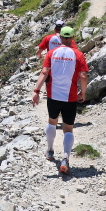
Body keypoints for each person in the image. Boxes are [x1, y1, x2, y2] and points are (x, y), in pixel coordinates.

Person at [31, 26, 89, 174]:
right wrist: (83, 92)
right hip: (70, 97)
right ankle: (65, 158)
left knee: (52, 121)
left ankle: (50, 150)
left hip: (53, 95)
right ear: (73, 38)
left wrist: (36, 91)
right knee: (68, 128)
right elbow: (83, 76)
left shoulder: (51, 53)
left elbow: (44, 72)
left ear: (61, 37)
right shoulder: (78, 54)